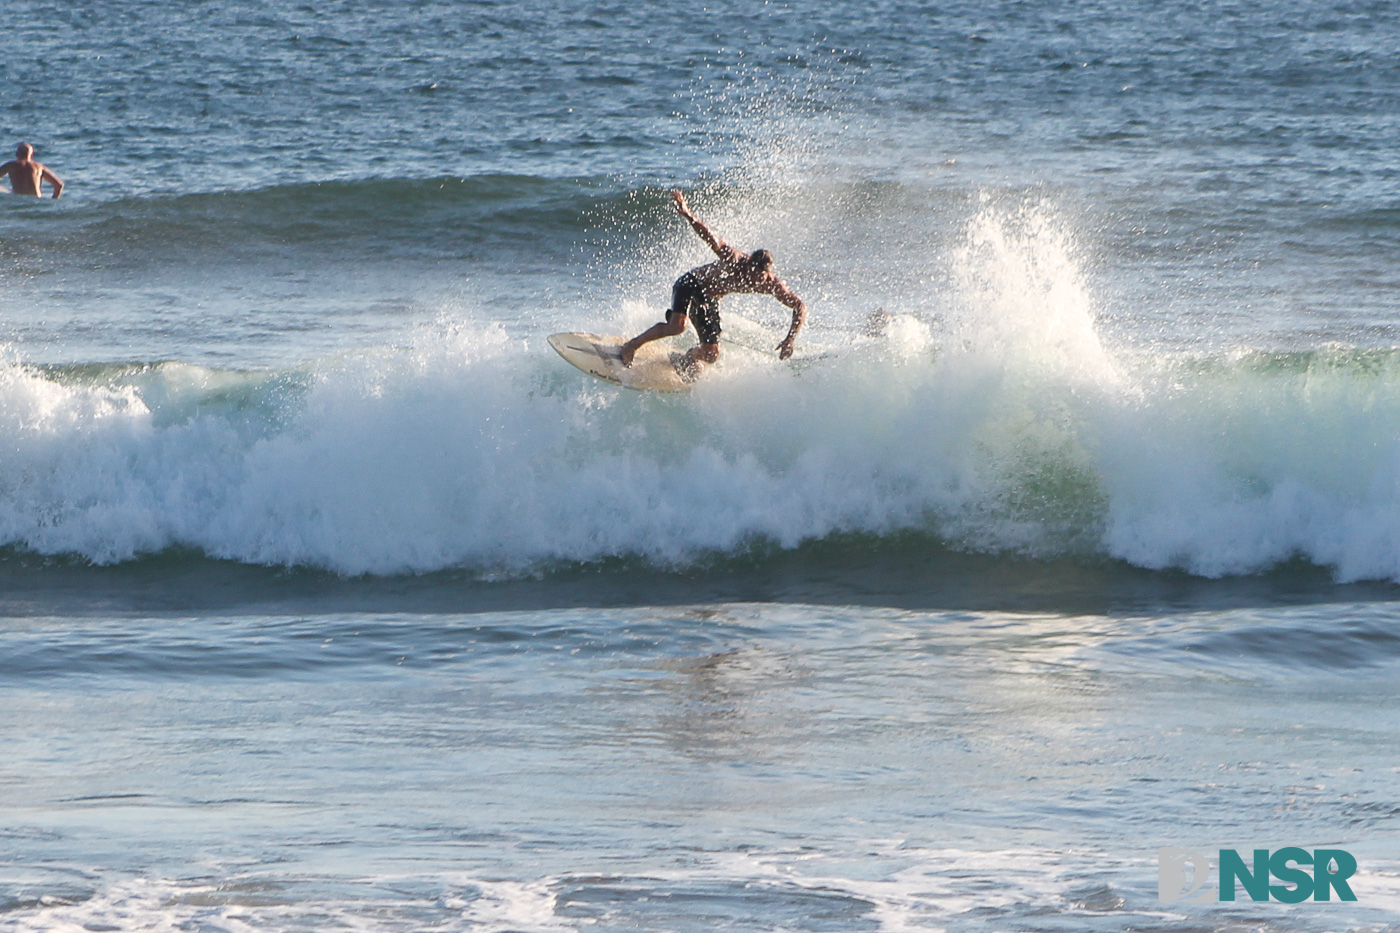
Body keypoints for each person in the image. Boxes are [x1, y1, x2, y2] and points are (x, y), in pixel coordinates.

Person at [620, 190, 806, 372]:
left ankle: (686, 359)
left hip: (709, 298)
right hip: (691, 283)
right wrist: (687, 213)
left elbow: (799, 306)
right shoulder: (734, 260)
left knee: (711, 354)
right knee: (677, 327)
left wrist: (790, 339)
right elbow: (710, 237)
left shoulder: (772, 284)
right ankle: (631, 346)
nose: (754, 281)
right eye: (752, 275)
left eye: (760, 278)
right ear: (749, 263)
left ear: (768, 274)